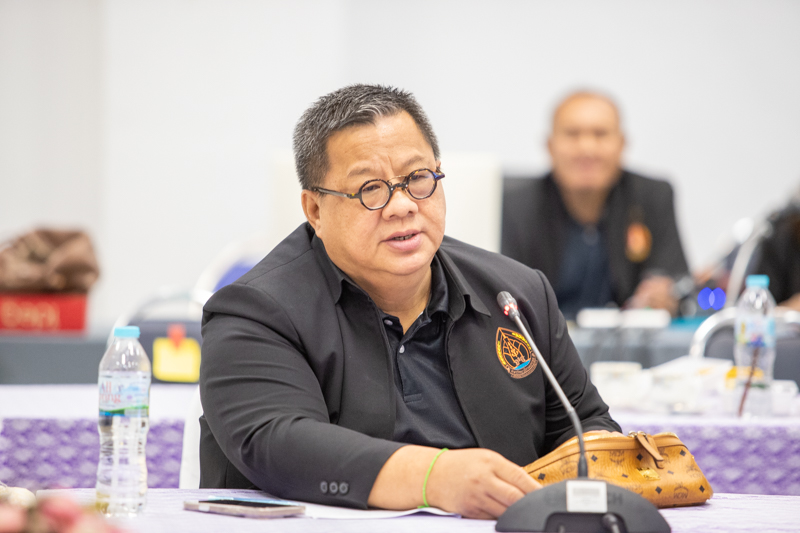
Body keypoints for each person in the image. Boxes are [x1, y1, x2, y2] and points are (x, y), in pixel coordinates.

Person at [199, 84, 620, 519]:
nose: (401, 206)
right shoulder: (254, 311)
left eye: (417, 178)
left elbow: (587, 427)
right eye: (370, 188)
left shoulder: (517, 295)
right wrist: (434, 478)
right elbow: (279, 443)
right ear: (315, 210)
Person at [501, 91, 689, 320]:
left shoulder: (652, 196)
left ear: (622, 144)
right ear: (550, 146)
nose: (587, 149)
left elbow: (675, 279)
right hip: (545, 337)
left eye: (600, 134)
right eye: (572, 134)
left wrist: (664, 295)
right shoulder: (517, 206)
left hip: (630, 336)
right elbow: (505, 289)